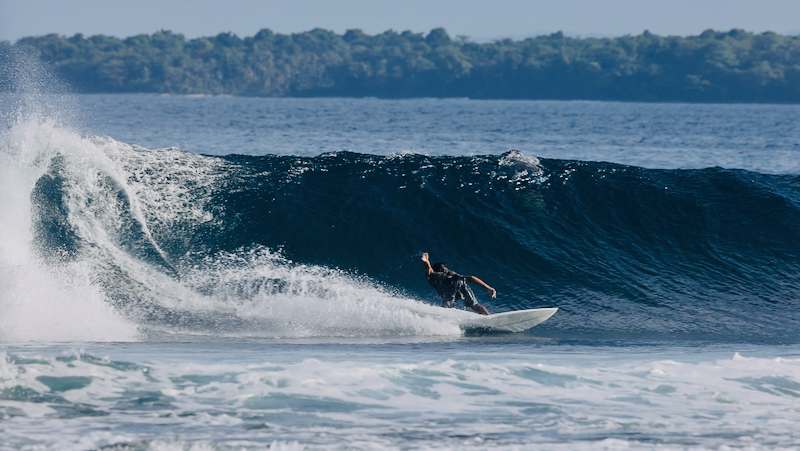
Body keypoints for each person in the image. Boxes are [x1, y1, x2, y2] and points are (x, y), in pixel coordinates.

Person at [421, 253, 494, 315]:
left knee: (446, 308)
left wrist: (426, 261)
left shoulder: (435, 276)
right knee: (475, 306)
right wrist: (488, 287)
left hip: (449, 284)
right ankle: (488, 317)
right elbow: (471, 277)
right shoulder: (451, 273)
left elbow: (429, 269)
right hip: (460, 281)